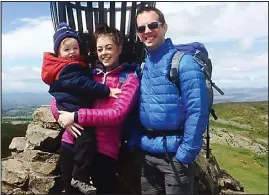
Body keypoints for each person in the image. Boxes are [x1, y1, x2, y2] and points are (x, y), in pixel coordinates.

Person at [128, 7, 210, 194]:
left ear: (164, 27)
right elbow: (134, 106)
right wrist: (134, 141)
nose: (147, 31)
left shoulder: (184, 63)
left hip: (174, 156)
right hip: (146, 153)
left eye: (153, 25)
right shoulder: (143, 65)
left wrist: (185, 155)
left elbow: (197, 111)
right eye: (141, 28)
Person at [50, 23, 140, 194]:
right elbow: (57, 99)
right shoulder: (89, 74)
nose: (104, 53)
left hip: (104, 152)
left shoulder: (129, 79)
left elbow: (116, 115)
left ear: (119, 48)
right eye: (99, 49)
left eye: (109, 47)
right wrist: (63, 119)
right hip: (72, 143)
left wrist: (76, 116)